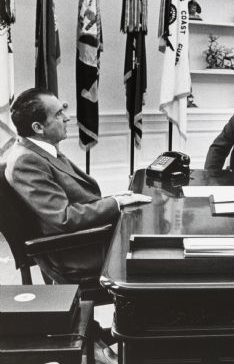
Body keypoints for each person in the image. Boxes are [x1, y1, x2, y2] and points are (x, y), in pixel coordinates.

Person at [2, 88, 152, 364]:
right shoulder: (26, 160)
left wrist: (116, 201)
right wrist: (115, 203)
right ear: (38, 127)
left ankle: (125, 336)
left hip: (88, 240)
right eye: (59, 114)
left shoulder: (40, 149)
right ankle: (149, 340)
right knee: (159, 262)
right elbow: (63, 218)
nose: (67, 118)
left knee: (151, 234)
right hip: (75, 253)